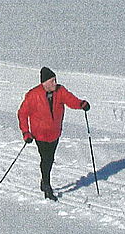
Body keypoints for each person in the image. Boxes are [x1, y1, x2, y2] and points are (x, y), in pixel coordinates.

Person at [17, 67, 90, 201]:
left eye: (55, 80)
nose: (55, 83)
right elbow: (22, 114)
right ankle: (47, 185)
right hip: (39, 134)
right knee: (46, 159)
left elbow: (71, 100)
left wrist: (81, 104)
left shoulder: (60, 91)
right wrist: (26, 132)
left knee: (49, 158)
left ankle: (44, 180)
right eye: (52, 81)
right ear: (44, 83)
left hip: (55, 133)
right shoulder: (33, 95)